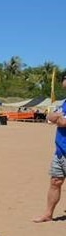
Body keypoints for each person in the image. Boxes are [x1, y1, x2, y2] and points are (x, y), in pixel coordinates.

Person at [33, 75, 66, 223]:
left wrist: (56, 118)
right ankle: (48, 214)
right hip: (60, 152)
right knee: (55, 182)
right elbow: (49, 117)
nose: (64, 81)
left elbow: (62, 122)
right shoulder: (65, 102)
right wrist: (55, 117)